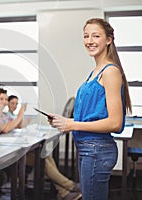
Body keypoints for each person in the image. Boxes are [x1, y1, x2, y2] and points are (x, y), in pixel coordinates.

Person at [49, 18, 132, 200]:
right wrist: (66, 121)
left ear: (109, 39)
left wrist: (73, 125)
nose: (89, 41)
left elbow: (116, 123)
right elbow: (90, 116)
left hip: (97, 150)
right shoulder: (96, 71)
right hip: (89, 149)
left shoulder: (110, 72)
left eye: (96, 36)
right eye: (86, 36)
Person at [7, 94, 81, 200]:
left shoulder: (13, 116)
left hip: (21, 151)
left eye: (16, 104)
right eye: (11, 103)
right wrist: (21, 113)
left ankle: (64, 192)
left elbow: (19, 126)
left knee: (45, 155)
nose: (14, 106)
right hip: (13, 156)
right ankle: (70, 186)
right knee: (42, 159)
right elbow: (7, 129)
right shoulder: (5, 116)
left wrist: (26, 115)